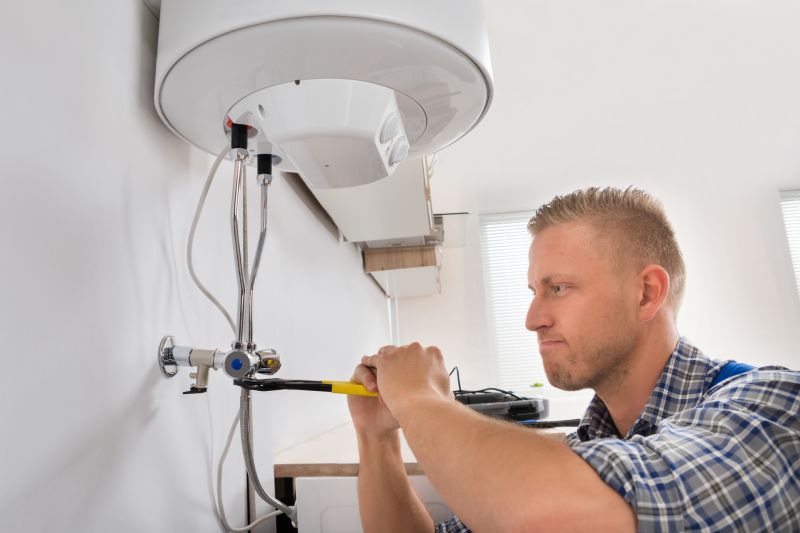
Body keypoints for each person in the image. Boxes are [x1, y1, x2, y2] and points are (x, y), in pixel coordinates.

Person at [347, 187, 800, 532]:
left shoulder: (773, 403)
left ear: (646, 293)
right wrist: (377, 437)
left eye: (558, 288)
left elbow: (569, 515)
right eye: (534, 293)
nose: (532, 319)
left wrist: (421, 398)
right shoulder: (586, 446)